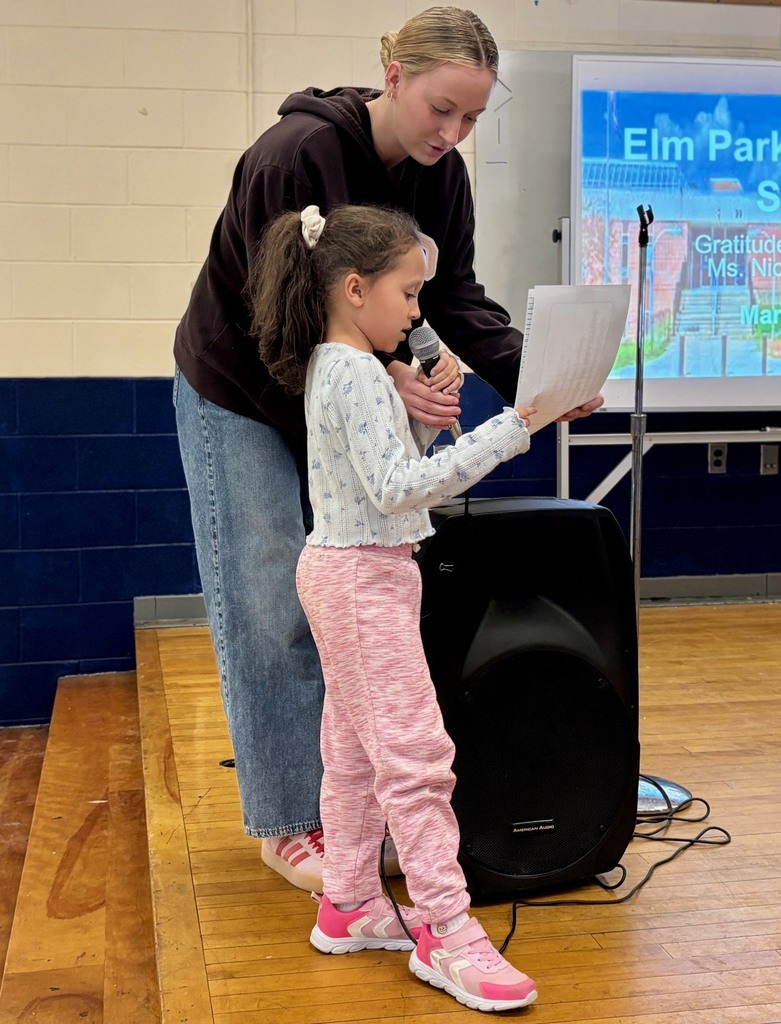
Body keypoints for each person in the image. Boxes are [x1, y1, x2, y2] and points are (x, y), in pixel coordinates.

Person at [173, 5, 602, 893]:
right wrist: (376, 381)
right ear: (395, 78)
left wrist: (544, 377)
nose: (454, 134)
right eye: (441, 109)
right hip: (243, 385)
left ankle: (359, 815)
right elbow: (277, 319)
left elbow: (458, 300)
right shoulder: (298, 154)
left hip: (339, 381)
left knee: (357, 615)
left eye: (474, 118)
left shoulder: (444, 178)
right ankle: (290, 823)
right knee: (270, 603)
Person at [249, 200, 539, 1012]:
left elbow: (384, 480)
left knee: (351, 749)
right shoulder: (351, 370)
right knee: (415, 759)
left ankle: (348, 902)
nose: (419, 314)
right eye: (409, 296)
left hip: (357, 570)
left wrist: (422, 411)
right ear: (353, 289)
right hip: (359, 580)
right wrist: (517, 426)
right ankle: (449, 932)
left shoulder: (347, 368)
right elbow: (400, 490)